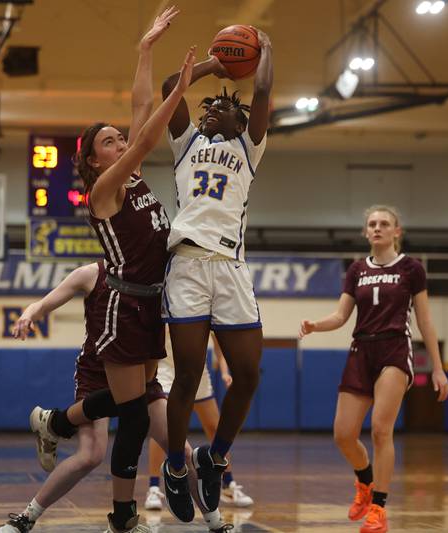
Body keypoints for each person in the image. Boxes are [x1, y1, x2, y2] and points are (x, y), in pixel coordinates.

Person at [26, 17, 199, 532]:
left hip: (151, 304)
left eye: (119, 138)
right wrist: (182, 92)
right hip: (122, 306)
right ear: (91, 159)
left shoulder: (135, 174)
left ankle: (56, 420)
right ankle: (123, 517)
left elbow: (140, 111)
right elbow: (148, 133)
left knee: (138, 402)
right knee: (138, 415)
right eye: (108, 141)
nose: (120, 141)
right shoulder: (105, 192)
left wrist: (145, 48)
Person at [0, 260, 208, 533]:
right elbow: (44, 303)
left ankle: (215, 522)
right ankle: (27, 517)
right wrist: (29, 314)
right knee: (90, 455)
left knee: (182, 450)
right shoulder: (92, 273)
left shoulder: (158, 278)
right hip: (97, 373)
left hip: (140, 375)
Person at [158, 27, 273, 523]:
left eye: (218, 107)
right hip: (186, 265)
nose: (208, 111)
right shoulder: (185, 143)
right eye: (205, 108)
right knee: (185, 376)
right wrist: (211, 65)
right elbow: (169, 87)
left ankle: (215, 456)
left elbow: (264, 90)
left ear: (238, 117)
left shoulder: (249, 148)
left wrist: (264, 50)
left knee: (247, 375)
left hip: (230, 267)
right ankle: (175, 469)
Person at [298, 206, 448, 533]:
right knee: (343, 434)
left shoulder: (411, 268)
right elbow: (340, 316)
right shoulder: (356, 270)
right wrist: (315, 325)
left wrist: (438, 368)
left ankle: (378, 508)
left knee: (382, 429)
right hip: (360, 349)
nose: (377, 228)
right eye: (372, 224)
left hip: (395, 347)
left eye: (384, 224)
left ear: (397, 231)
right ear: (366, 232)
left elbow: (425, 320)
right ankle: (364, 481)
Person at [145, 335, 253, 511]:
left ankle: (228, 484)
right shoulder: (163, 307)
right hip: (166, 371)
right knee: (163, 427)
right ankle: (154, 487)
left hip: (198, 373)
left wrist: (225, 372)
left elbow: (220, 347)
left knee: (216, 429)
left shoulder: (205, 309)